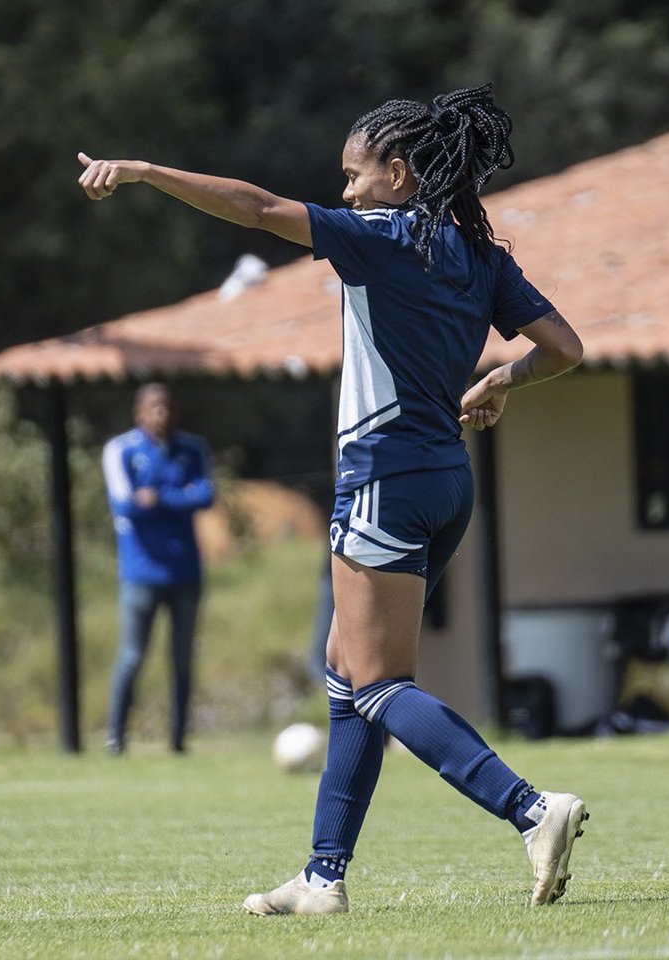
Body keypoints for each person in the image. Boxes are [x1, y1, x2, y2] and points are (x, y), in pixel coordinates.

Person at [78, 83, 586, 913]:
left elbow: (256, 207)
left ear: (399, 173)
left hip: (383, 479)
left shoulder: (378, 236)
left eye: (354, 175)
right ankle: (323, 877)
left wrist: (144, 172)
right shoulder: (479, 254)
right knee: (348, 675)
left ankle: (531, 809)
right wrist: (502, 379)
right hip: (445, 482)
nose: (345, 192)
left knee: (379, 685)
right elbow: (563, 348)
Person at [102, 384, 214, 754]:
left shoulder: (192, 449)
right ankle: (116, 738)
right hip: (140, 574)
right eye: (154, 408)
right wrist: (179, 498)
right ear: (139, 413)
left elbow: (205, 496)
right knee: (132, 657)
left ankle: (178, 740)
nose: (161, 414)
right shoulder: (121, 450)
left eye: (166, 407)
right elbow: (125, 505)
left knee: (182, 660)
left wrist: (159, 497)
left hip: (186, 573)